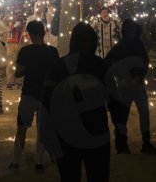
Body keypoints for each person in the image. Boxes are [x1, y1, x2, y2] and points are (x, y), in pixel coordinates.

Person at [40, 23, 111, 182]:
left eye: (88, 41)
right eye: (83, 41)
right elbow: (47, 101)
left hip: (94, 133)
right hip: (70, 134)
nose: (86, 45)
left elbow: (113, 97)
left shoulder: (100, 66)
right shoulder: (62, 66)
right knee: (71, 176)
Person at [9, 21, 59, 172]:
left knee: (21, 128)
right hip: (45, 96)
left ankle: (16, 161)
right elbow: (55, 73)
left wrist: (21, 71)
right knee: (42, 130)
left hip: (29, 94)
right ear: (43, 33)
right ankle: (38, 162)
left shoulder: (25, 51)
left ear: (30, 34)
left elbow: (18, 73)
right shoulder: (52, 52)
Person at [105, 19, 156, 154]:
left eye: (134, 31)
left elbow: (144, 62)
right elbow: (108, 64)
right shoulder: (119, 48)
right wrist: (122, 77)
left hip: (138, 86)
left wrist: (140, 75)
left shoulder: (138, 45)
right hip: (124, 87)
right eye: (130, 31)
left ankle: (145, 142)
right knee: (122, 115)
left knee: (144, 112)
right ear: (125, 32)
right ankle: (121, 144)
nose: (132, 33)